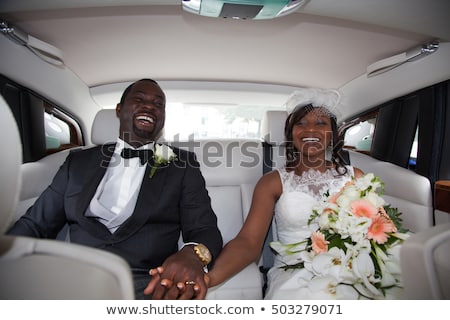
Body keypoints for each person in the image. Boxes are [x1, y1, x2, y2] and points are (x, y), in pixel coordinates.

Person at [7, 78, 223, 300]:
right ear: (119, 110)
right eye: (139, 99)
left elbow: (205, 230)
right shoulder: (77, 162)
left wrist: (192, 255)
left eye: (158, 104)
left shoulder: (181, 164)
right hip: (73, 278)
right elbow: (35, 224)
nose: (149, 106)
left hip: (147, 284)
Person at [145, 87, 364, 299]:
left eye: (320, 123)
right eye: (301, 123)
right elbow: (249, 243)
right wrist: (206, 279)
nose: (310, 130)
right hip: (296, 277)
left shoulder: (356, 177)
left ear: (333, 133)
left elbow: (379, 233)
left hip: (353, 272)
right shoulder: (273, 182)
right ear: (291, 133)